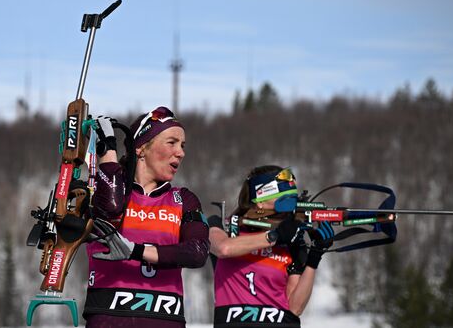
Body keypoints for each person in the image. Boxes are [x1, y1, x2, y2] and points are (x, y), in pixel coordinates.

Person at [83, 106, 210, 328]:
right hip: (109, 318)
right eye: (171, 142)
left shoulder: (184, 199)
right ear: (141, 148)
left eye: (182, 146)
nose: (180, 152)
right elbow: (111, 208)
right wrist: (108, 152)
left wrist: (136, 251)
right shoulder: (106, 191)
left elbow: (198, 252)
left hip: (165, 319)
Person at [208, 165, 334, 328]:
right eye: (284, 199)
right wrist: (275, 236)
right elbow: (223, 248)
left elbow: (295, 307)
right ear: (259, 200)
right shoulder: (222, 226)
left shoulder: (291, 239)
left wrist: (315, 256)